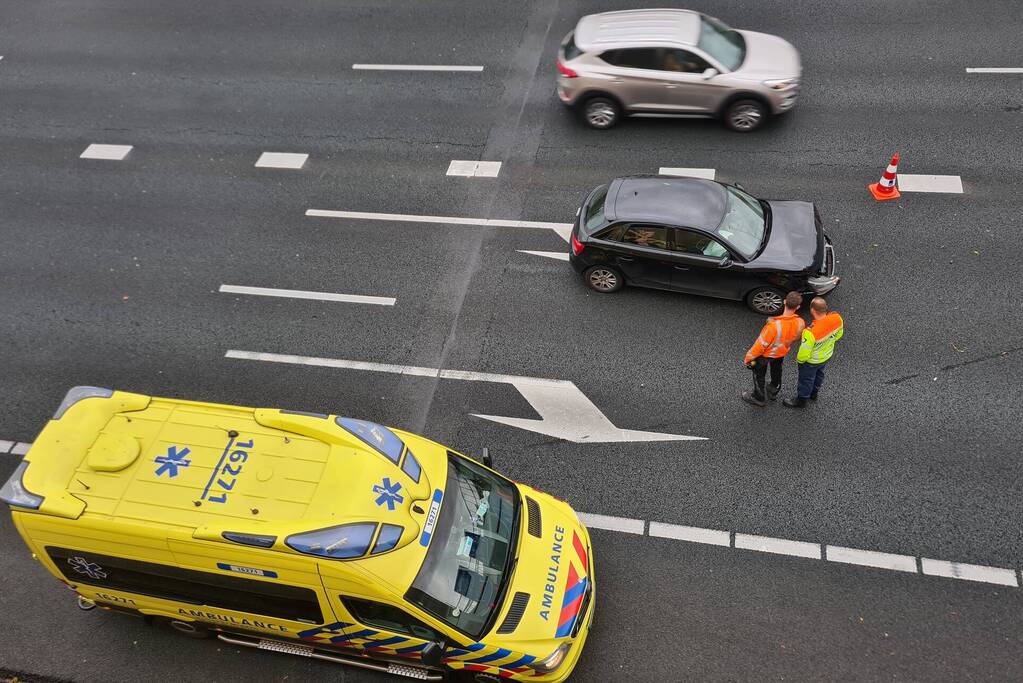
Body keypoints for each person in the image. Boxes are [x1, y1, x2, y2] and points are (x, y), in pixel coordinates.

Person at [741, 292, 805, 407]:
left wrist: (749, 358)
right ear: (798, 307)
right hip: (781, 352)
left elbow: (760, 345)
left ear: (784, 302)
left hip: (766, 355)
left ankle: (759, 398)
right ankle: (773, 390)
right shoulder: (800, 322)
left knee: (759, 374)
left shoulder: (773, 326)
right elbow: (797, 337)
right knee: (777, 370)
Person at [783, 297, 844, 408]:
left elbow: (804, 352)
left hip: (811, 361)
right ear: (826, 309)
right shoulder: (837, 318)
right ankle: (814, 393)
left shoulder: (810, 332)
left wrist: (800, 361)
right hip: (826, 356)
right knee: (819, 375)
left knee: (806, 380)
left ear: (812, 310)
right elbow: (838, 335)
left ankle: (801, 400)